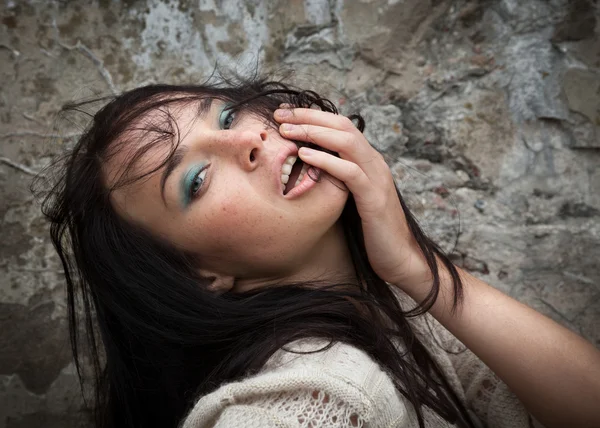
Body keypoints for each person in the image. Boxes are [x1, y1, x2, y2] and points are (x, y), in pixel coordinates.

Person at [35, 73, 600, 428]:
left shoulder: (401, 312)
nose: (247, 140)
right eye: (197, 180)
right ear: (200, 274)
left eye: (227, 115)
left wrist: (411, 264)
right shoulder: (309, 401)